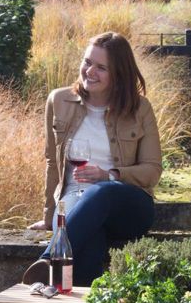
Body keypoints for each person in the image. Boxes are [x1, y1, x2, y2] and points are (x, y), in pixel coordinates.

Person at [23, 32, 162, 287]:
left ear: (119, 74)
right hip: (73, 203)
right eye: (87, 62)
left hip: (126, 203)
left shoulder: (140, 109)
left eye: (101, 68)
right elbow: (52, 163)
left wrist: (110, 175)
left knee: (103, 192)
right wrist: (48, 215)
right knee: (89, 242)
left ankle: (47, 261)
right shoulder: (59, 100)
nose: (90, 72)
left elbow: (152, 170)